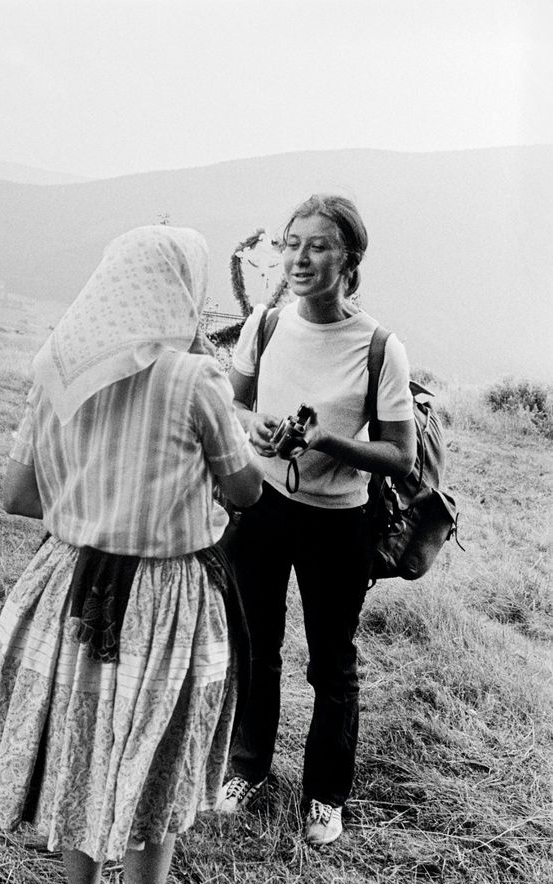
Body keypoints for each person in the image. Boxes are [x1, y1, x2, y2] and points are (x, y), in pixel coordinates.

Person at [0, 225, 263, 884]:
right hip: (164, 596)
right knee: (154, 751)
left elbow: (18, 494)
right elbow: (245, 488)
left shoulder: (57, 368)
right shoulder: (195, 381)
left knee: (89, 741)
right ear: (180, 290)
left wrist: (95, 503)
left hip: (72, 587)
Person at [216, 194, 416, 849]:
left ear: (349, 259)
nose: (300, 257)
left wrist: (328, 443)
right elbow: (232, 402)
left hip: (338, 523)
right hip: (262, 508)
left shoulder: (381, 347)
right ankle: (248, 766)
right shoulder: (267, 325)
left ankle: (326, 795)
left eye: (319, 245)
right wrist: (259, 429)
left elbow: (400, 454)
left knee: (332, 664)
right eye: (292, 243)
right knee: (256, 645)